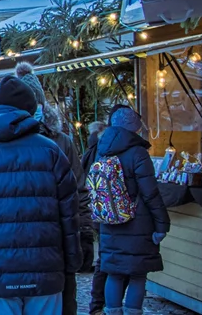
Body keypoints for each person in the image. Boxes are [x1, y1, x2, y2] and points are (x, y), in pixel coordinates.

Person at [0, 76, 81, 314]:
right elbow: (69, 216)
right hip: (46, 270)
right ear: (31, 110)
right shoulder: (51, 151)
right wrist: (73, 263)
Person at [16, 62, 91, 315]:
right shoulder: (1, 143)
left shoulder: (61, 141)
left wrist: (84, 233)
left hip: (54, 242)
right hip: (15, 243)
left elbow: (78, 189)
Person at [96, 106, 170, 315]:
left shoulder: (102, 149)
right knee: (138, 275)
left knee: (114, 273)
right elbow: (150, 193)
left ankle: (112, 312)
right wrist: (162, 224)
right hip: (139, 222)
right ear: (133, 126)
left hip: (110, 221)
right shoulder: (138, 153)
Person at [83, 121, 117, 315]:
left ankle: (98, 305)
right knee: (106, 262)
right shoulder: (103, 154)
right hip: (106, 213)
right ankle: (100, 305)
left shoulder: (90, 151)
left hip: (97, 212)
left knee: (104, 260)